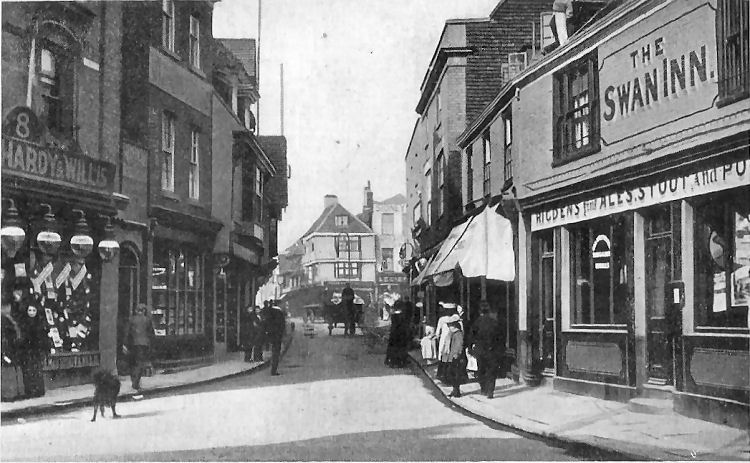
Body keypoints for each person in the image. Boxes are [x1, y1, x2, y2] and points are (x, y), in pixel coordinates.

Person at [469, 300, 505, 398]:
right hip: (492, 349)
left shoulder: (477, 322)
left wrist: (470, 348)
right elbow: (500, 337)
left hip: (480, 349)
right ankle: (490, 391)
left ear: (480, 311)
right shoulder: (494, 322)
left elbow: (471, 336)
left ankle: (483, 388)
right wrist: (501, 349)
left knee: (481, 369)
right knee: (492, 370)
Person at [123, 303, 155, 391]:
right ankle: (136, 383)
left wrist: (125, 344)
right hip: (144, 344)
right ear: (144, 311)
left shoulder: (131, 320)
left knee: (133, 363)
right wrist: (151, 345)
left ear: (136, 311)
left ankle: (134, 381)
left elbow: (127, 333)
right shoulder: (147, 320)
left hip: (133, 344)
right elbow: (151, 333)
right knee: (140, 363)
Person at [18, 302, 47, 398]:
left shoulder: (40, 323)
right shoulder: (23, 323)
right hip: (27, 350)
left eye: (34, 310)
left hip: (36, 350)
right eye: (30, 310)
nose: (31, 312)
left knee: (37, 370)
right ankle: (30, 391)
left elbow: (42, 337)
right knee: (28, 371)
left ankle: (38, 390)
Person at [444, 314, 465, 398]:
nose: (449, 327)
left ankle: (456, 391)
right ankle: (455, 390)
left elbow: (459, 345)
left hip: (456, 357)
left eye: (451, 325)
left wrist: (457, 354)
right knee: (451, 373)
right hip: (451, 356)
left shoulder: (458, 334)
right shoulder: (451, 333)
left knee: (454, 373)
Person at [434, 302, 456, 381]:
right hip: (452, 339)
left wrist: (437, 337)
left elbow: (437, 332)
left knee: (443, 356)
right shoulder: (456, 318)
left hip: (444, 339)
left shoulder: (442, 319)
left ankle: (442, 374)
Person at [265, 303, 286, 376]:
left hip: (271, 335)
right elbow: (282, 326)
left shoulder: (269, 312)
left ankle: (273, 369)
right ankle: (274, 370)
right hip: (277, 336)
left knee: (273, 352)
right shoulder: (279, 313)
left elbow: (266, 324)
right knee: (276, 353)